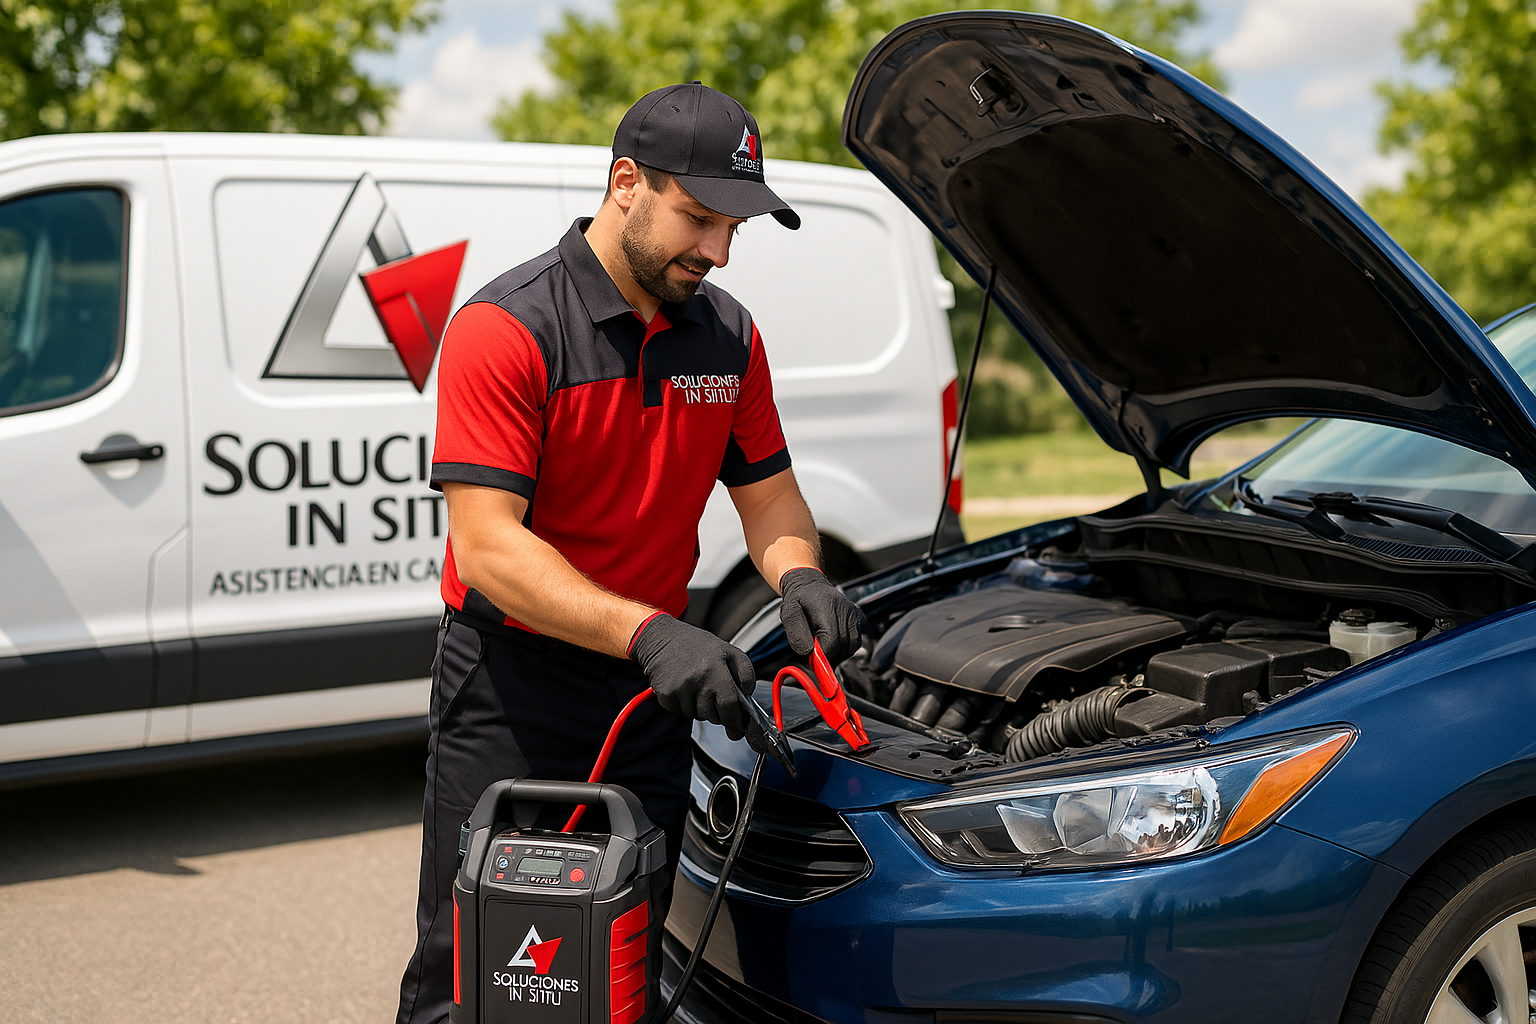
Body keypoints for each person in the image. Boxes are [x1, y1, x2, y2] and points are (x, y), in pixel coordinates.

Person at [394, 82, 867, 1024]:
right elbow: (489, 550)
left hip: (649, 688)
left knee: (621, 962)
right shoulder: (508, 327)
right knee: (480, 969)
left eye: (736, 226)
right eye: (699, 217)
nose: (719, 250)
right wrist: (651, 632)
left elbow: (769, 499)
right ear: (625, 184)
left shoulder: (729, 335)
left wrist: (800, 570)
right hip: (510, 688)